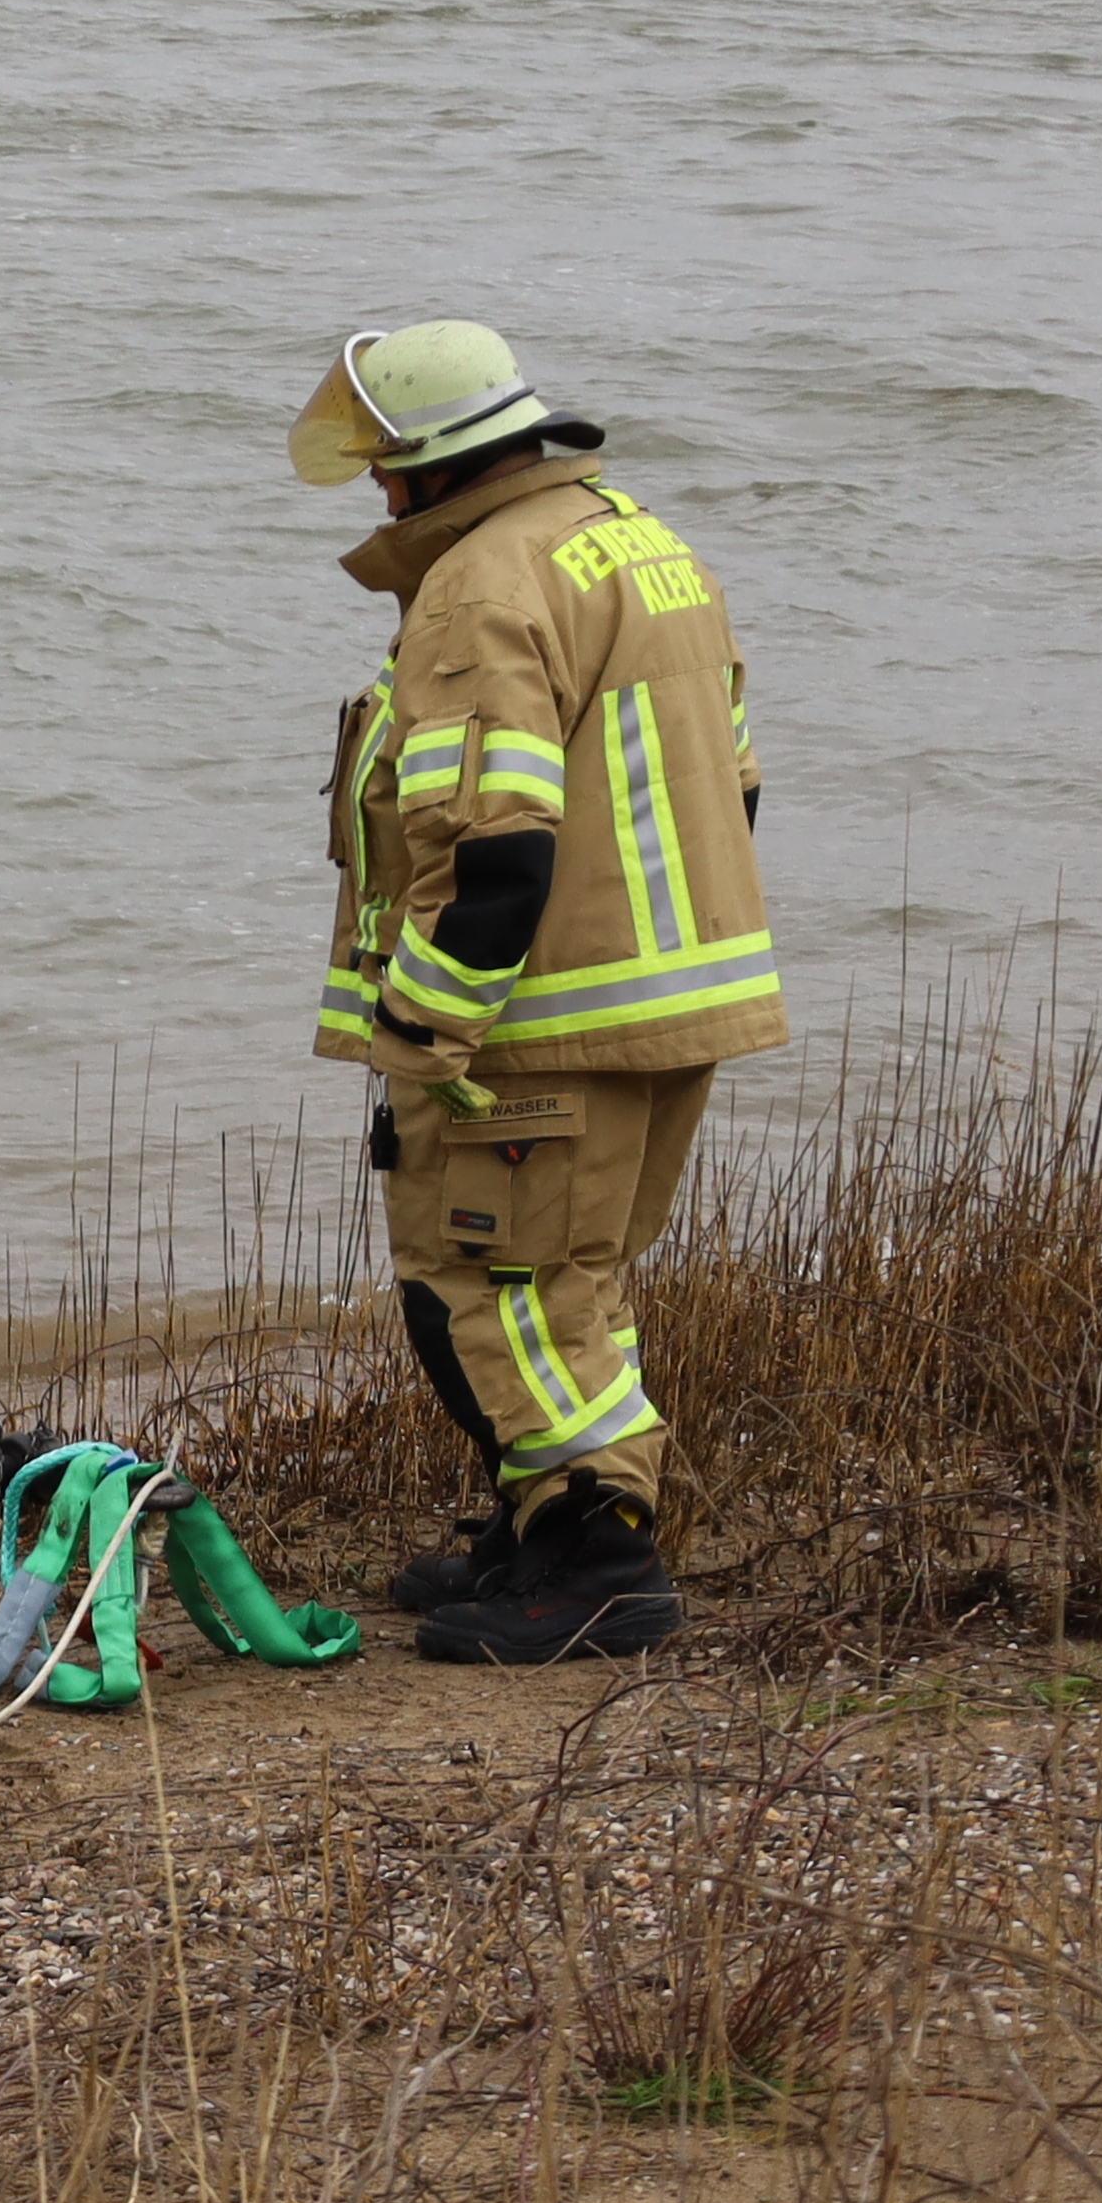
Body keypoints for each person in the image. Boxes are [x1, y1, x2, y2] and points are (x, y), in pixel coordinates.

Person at [293, 320, 784, 1664]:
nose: (377, 495)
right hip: (669, 998)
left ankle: (598, 1567)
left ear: (429, 468)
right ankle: (537, 1531)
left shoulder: (477, 588)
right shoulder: (636, 540)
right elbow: (733, 782)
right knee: (572, 1279)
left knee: (499, 1284)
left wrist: (426, 1035)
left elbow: (497, 844)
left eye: (384, 468)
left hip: (542, 1017)